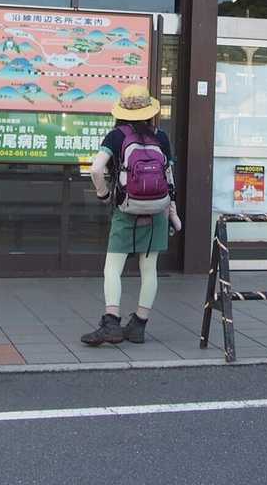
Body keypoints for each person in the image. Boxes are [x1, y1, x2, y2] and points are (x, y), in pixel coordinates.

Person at [81, 84, 181, 347]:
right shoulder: (161, 137)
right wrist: (172, 210)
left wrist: (103, 194)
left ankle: (111, 323)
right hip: (157, 210)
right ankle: (138, 326)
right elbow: (169, 177)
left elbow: (96, 169)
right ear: (150, 111)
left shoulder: (116, 136)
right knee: (149, 270)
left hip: (126, 209)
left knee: (113, 268)